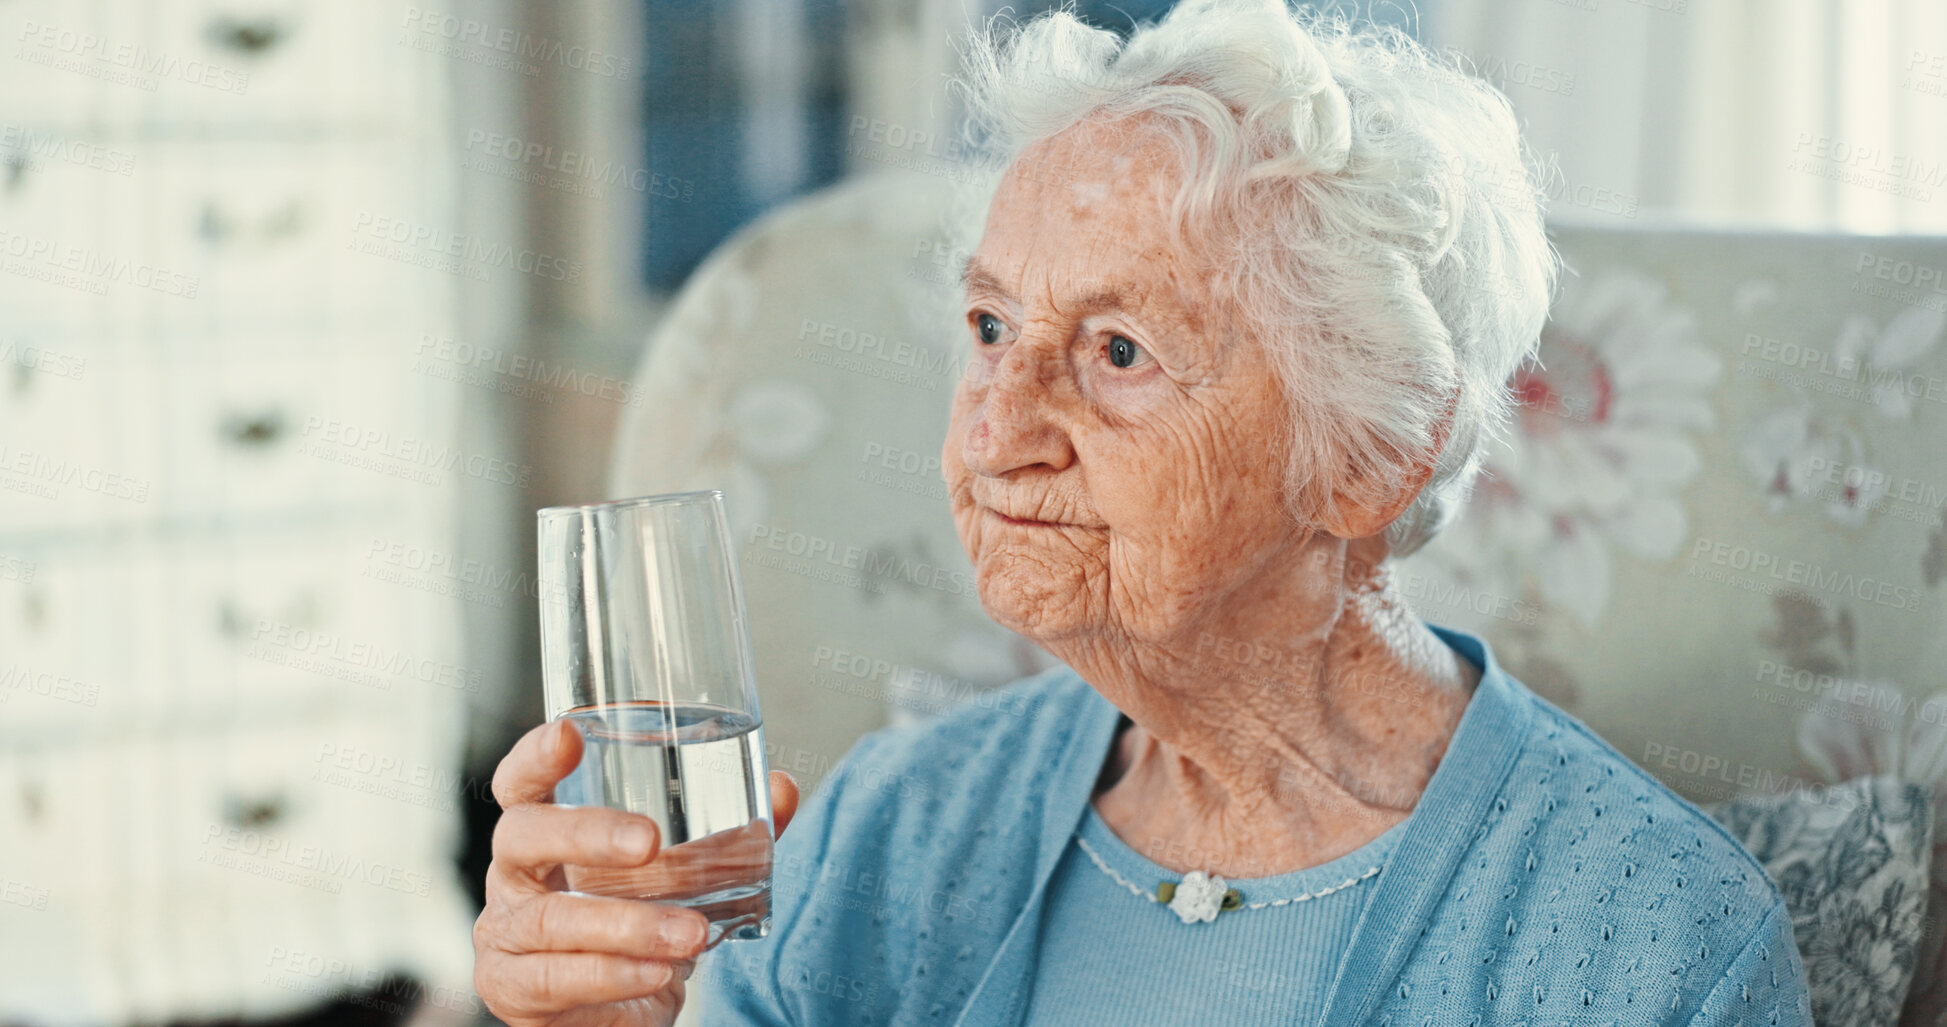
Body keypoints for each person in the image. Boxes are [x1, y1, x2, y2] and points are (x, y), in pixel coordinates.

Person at [472, 1, 1814, 1023]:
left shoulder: (1652, 947)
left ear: (1375, 453)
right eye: (992, 326)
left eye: (1119, 352)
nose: (996, 429)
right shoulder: (893, 827)